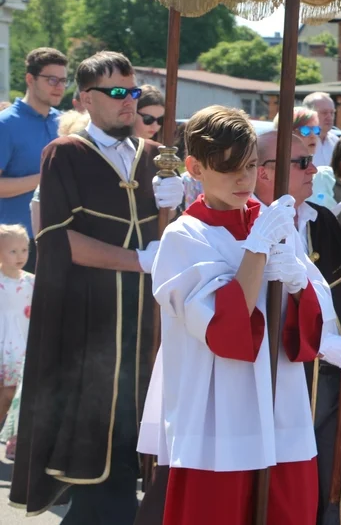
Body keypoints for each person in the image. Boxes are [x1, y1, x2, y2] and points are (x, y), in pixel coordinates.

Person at [137, 107, 341, 525]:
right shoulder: (184, 237)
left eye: (251, 166)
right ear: (195, 168)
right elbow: (225, 333)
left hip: (283, 410)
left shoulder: (272, 221)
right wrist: (256, 252)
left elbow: (310, 329)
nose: (243, 180)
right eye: (228, 169)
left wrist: (298, 285)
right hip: (220, 418)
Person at [9, 50, 184, 523]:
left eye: (132, 91)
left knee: (139, 442)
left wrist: (183, 202)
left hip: (148, 324)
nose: (129, 102)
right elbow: (60, 241)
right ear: (86, 99)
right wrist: (140, 260)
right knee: (96, 454)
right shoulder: (64, 154)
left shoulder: (155, 158)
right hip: (90, 324)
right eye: (116, 93)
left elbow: (186, 240)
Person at [254, 129, 341, 524]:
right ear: (264, 172)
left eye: (311, 159)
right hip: (279, 382)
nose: (314, 168)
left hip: (328, 381)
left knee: (327, 482)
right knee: (279, 490)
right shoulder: (250, 225)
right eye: (301, 162)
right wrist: (320, 342)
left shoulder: (323, 220)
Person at [0, 47, 68, 272]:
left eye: (63, 80)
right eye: (52, 80)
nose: (59, 87)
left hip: (60, 237)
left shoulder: (64, 122)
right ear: (30, 79)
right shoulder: (5, 124)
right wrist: (46, 177)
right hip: (15, 247)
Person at [0, 225, 34, 447]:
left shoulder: (32, 281)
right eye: (13, 251)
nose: (20, 256)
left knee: (18, 392)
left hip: (22, 343)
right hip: (3, 342)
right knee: (4, 393)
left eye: (24, 250)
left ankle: (14, 439)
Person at [303, 92, 339, 168]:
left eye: (332, 113)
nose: (329, 117)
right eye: (324, 112)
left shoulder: (336, 142)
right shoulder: (298, 142)